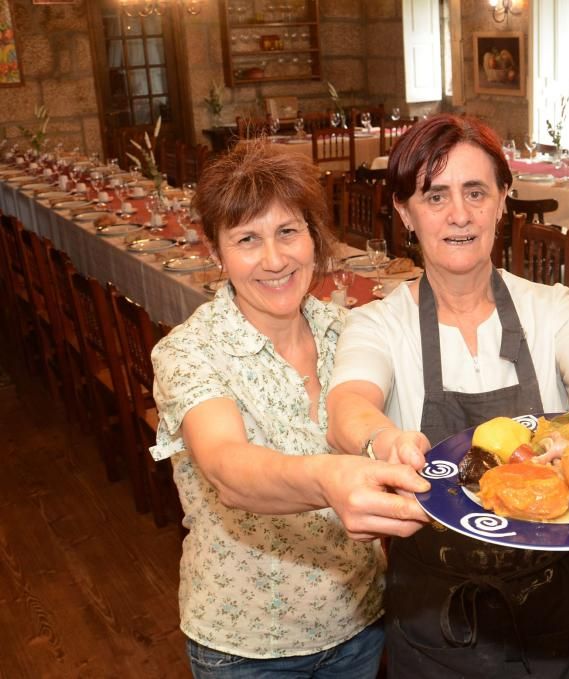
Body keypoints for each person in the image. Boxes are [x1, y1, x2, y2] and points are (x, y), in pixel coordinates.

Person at [325, 114, 569, 678]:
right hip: (435, 620)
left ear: (503, 199)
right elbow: (348, 404)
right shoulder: (380, 323)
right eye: (436, 195)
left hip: (554, 614)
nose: (459, 214)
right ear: (405, 211)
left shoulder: (550, 307)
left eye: (476, 192)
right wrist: (384, 438)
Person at [149, 142, 430, 678]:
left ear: (313, 237)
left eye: (287, 232)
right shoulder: (189, 351)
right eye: (247, 239)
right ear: (216, 253)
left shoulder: (347, 331)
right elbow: (228, 467)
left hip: (359, 622)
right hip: (247, 646)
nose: (274, 260)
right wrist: (328, 477)